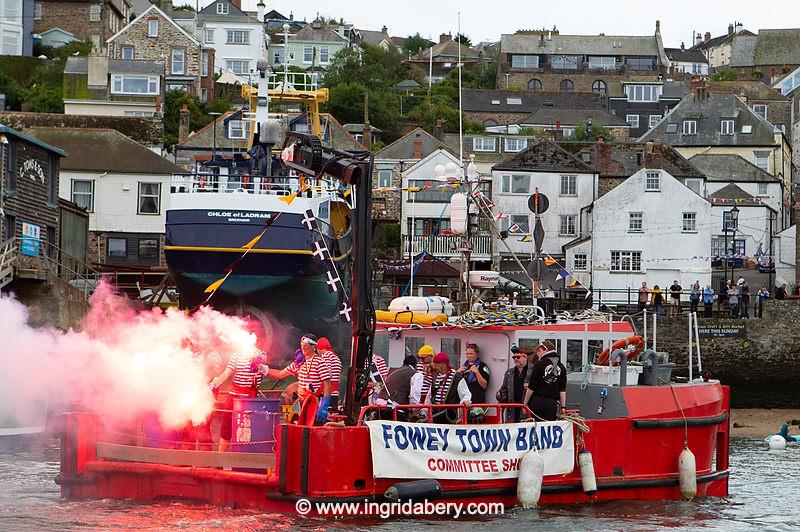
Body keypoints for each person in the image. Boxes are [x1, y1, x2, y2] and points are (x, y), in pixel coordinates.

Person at [256, 334, 333, 426]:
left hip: (313, 403)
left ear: (314, 346)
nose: (303, 348)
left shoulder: (320, 362)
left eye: (306, 345)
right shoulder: (299, 363)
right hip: (300, 402)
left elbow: (327, 385)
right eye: (301, 345)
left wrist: (324, 406)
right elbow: (280, 374)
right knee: (297, 429)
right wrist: (261, 368)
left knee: (310, 430)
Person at [210, 347, 269, 452]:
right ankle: (219, 460)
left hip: (249, 399)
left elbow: (264, 358)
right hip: (233, 396)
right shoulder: (236, 354)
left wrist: (258, 360)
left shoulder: (258, 352)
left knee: (246, 430)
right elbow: (227, 372)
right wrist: (215, 384)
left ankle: (244, 462)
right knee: (226, 429)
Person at [181, 350, 223, 451]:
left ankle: (204, 459)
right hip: (191, 393)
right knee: (188, 427)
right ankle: (185, 456)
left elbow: (214, 374)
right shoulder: (190, 354)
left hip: (206, 395)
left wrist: (203, 384)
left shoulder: (213, 354)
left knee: (203, 426)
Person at [523, 340, 567, 421]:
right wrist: (563, 406)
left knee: (535, 427)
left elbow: (532, 386)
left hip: (537, 402)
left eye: (539, 351)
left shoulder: (539, 364)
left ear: (546, 350)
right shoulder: (562, 367)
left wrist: (525, 403)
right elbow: (562, 389)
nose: (537, 353)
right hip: (552, 404)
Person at [423, 352, 471, 424]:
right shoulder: (436, 378)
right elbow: (429, 397)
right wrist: (425, 410)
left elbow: (466, 394)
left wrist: (465, 400)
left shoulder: (456, 377)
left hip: (450, 417)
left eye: (436, 365)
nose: (435, 367)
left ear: (443, 364)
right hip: (435, 416)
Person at [377, 355, 419, 421]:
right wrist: (414, 412)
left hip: (380, 405)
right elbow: (414, 396)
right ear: (415, 365)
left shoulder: (393, 370)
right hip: (395, 408)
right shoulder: (415, 374)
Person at [496, 346, 529, 422]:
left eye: (518, 357)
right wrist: (502, 400)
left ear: (525, 357)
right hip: (512, 408)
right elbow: (504, 389)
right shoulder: (509, 372)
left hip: (527, 407)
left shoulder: (533, 371)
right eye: (514, 357)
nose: (516, 359)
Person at [317, 337, 342, 413]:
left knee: (325, 415)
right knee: (332, 414)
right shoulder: (335, 357)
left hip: (327, 393)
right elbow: (338, 379)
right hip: (335, 391)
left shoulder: (326, 356)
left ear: (319, 348)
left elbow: (327, 374)